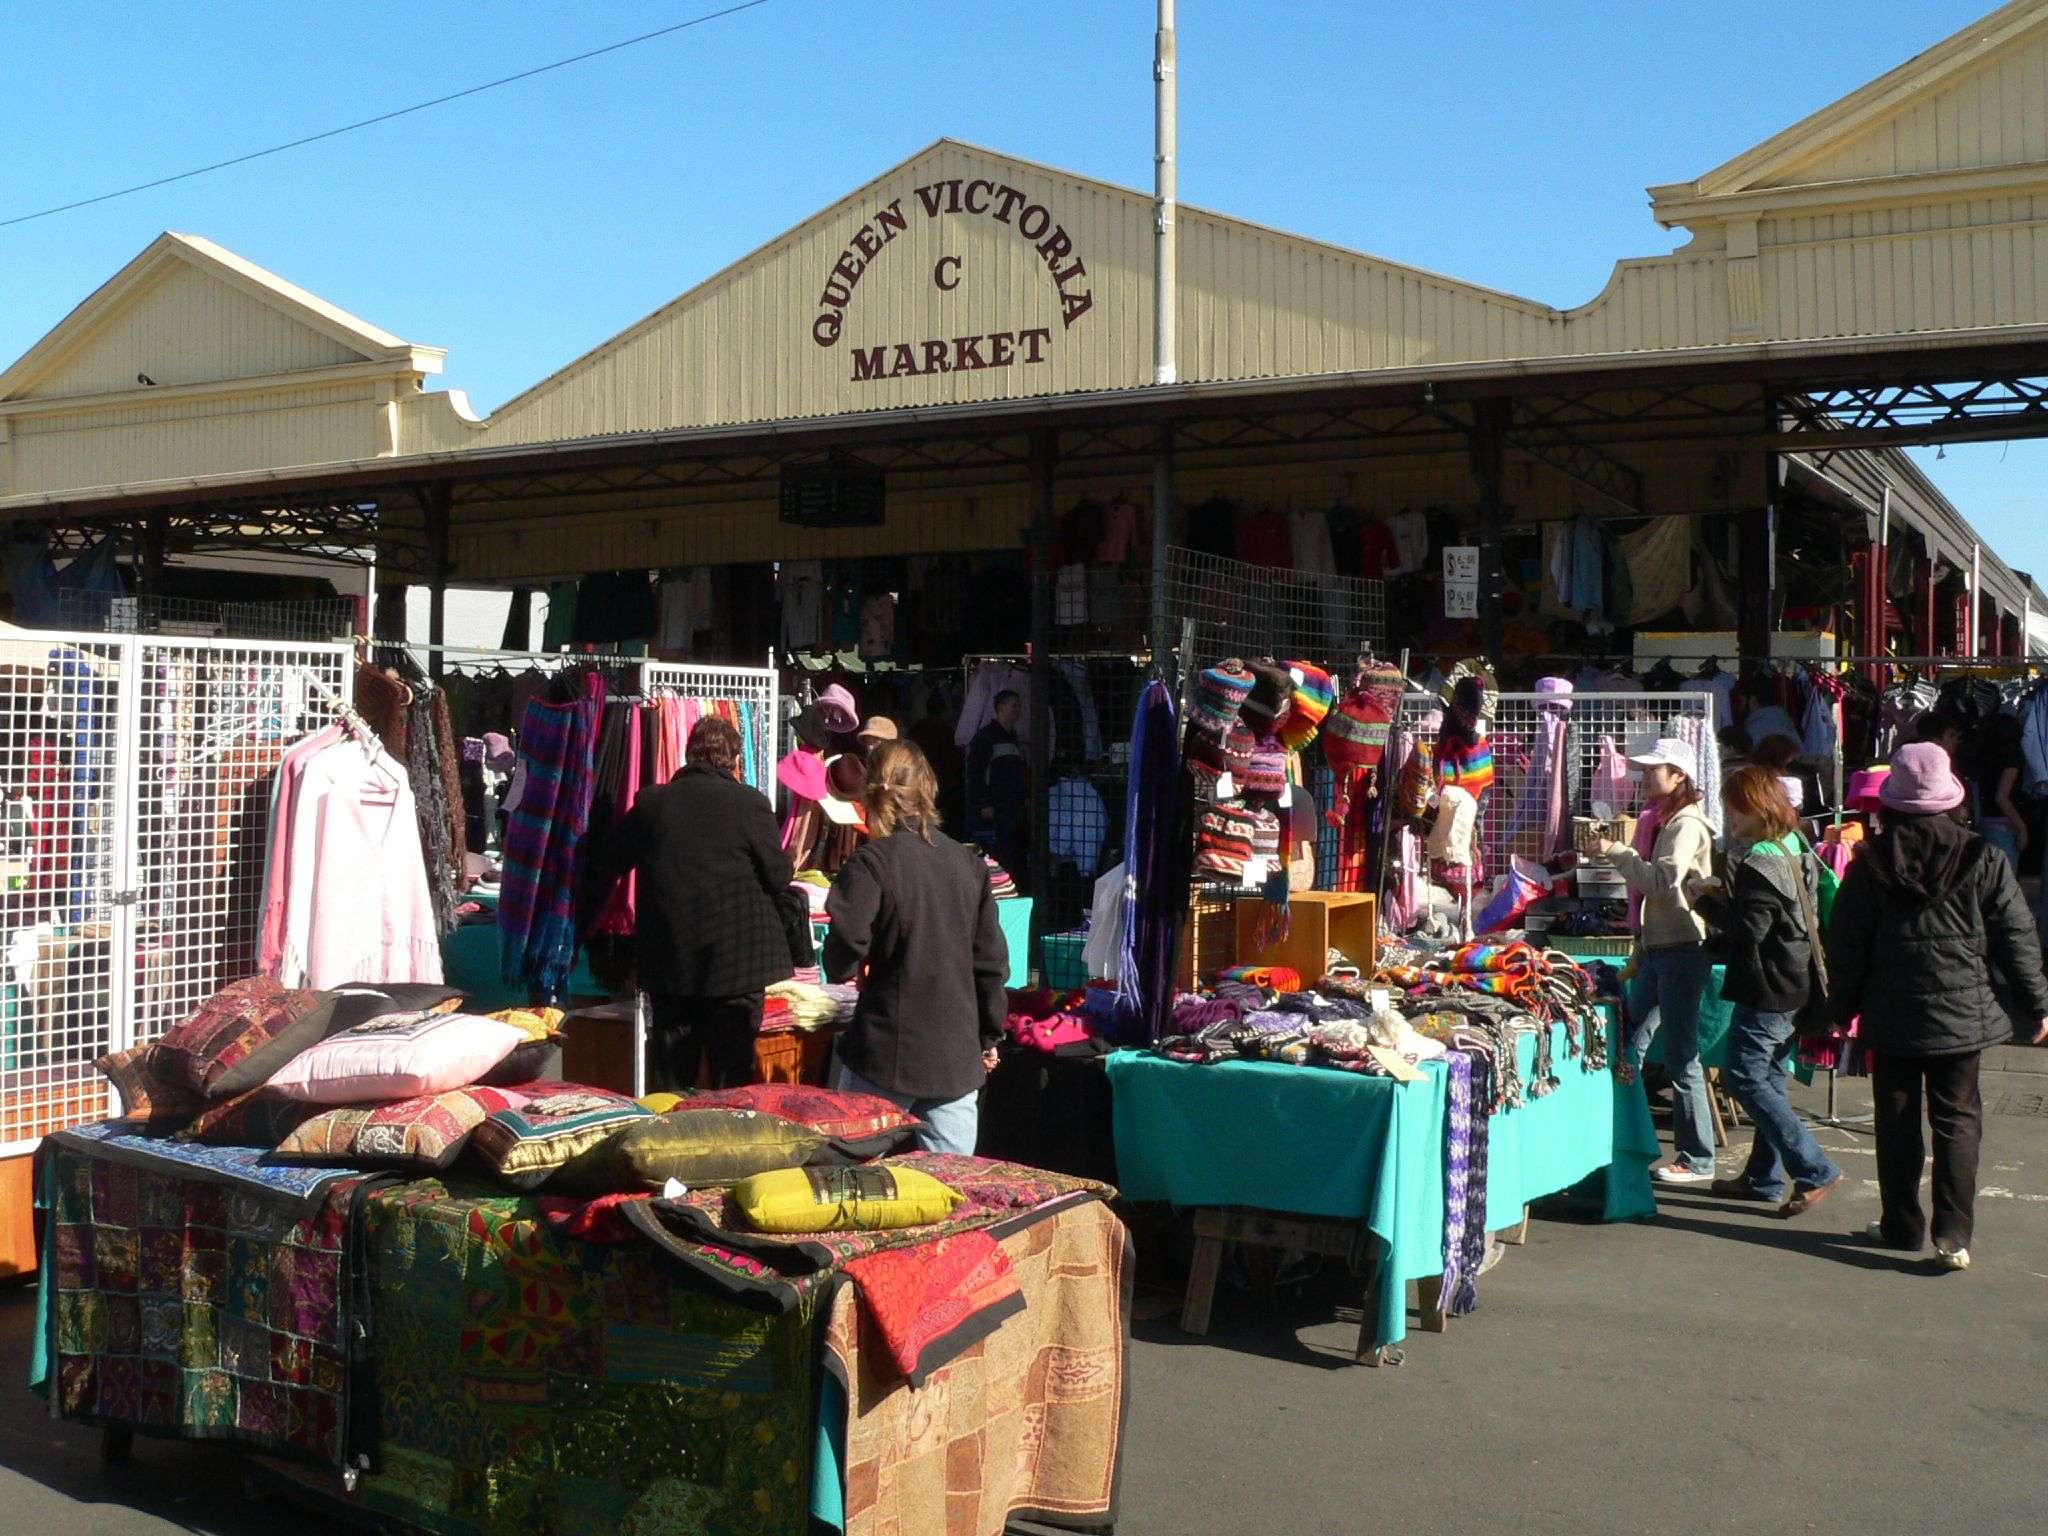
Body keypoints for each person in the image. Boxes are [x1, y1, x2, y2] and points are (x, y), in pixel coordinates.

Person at [1827, 742, 2048, 1270]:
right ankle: (1953, 1234)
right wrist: (2036, 1003)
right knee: (1957, 1120)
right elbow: (2018, 937)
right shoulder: (1984, 857)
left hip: (1891, 1011)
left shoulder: (1871, 866)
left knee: (1897, 1121)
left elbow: (1847, 945)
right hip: (1962, 1015)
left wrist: (1842, 1006)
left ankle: (1902, 1226)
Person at [824, 740, 1009, 1155]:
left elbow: (844, 949)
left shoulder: (872, 862)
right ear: (927, 790)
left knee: (849, 1179)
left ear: (872, 794)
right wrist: (988, 1036)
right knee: (956, 1192)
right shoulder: (967, 865)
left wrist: (841, 965)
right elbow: (991, 964)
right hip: (955, 1054)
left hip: (886, 1051)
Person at [608, 716, 794, 1090]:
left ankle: (669, 1144)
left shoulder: (651, 802)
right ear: (734, 759)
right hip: (736, 963)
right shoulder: (749, 803)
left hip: (671, 961)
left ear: (690, 752)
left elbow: (612, 860)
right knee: (731, 1076)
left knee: (673, 1078)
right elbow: (778, 876)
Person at [1692, 766, 1844, 1215]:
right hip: (1799, 979)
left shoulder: (1761, 859)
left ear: (1758, 807)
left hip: (1770, 985)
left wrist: (1703, 901)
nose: (1730, 815)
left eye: (1736, 806)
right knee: (1770, 1078)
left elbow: (1750, 930)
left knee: (1745, 1074)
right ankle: (1763, 1177)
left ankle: (1815, 1168)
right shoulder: (1795, 846)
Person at [1594, 737, 1718, 1185]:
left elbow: (1664, 883)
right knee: (1629, 1041)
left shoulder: (1685, 825)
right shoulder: (1668, 820)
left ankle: (1698, 1158)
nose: (1646, 777)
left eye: (1654, 770)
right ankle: (1623, 1138)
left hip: (1682, 948)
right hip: (1659, 947)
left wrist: (1618, 853)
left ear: (1679, 775)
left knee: (1680, 1056)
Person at [966, 688, 1029, 880]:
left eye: (1019, 706)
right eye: (1014, 706)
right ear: (1000, 708)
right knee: (999, 856)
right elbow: (975, 773)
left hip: (1011, 807)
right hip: (997, 808)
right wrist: (984, 803)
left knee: (1012, 854)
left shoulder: (1012, 738)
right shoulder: (986, 738)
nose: (1018, 710)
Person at [1973, 712, 2027, 868]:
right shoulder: (2012, 757)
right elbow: (2002, 797)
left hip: (1984, 823)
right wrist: (2022, 828)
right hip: (2005, 828)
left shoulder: (1984, 756)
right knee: (2004, 884)